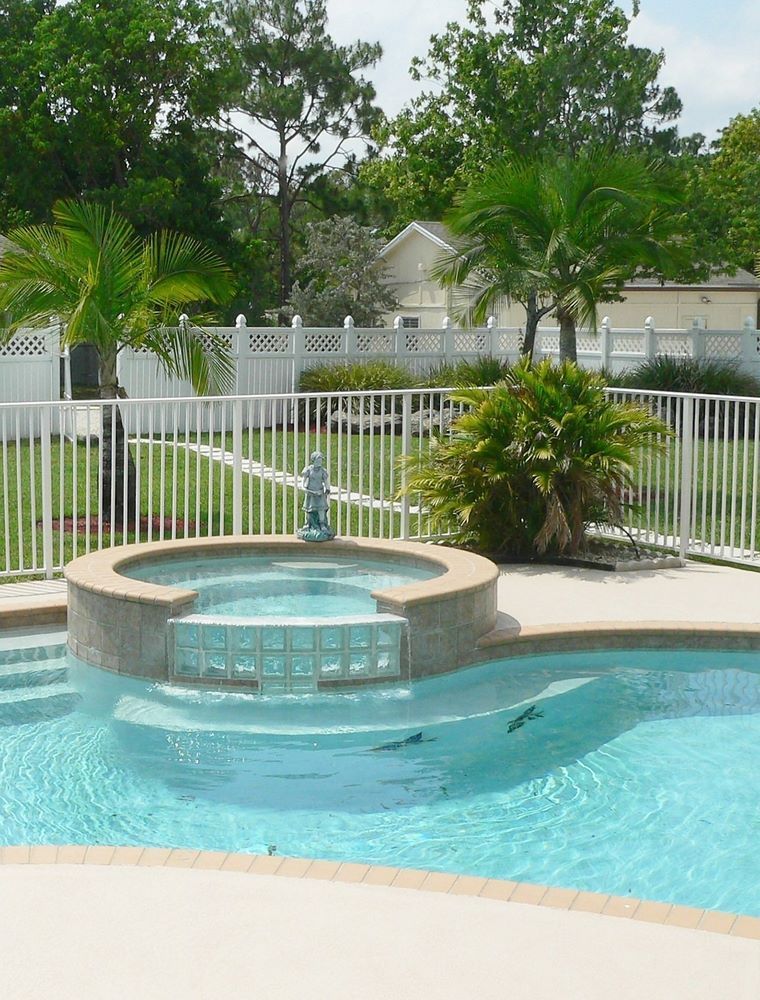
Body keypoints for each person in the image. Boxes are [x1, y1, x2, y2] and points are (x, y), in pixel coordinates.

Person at [298, 451, 334, 539]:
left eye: (321, 460)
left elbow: (325, 482)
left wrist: (327, 488)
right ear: (313, 460)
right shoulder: (309, 470)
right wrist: (304, 488)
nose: (320, 462)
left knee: (321, 509)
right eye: (318, 459)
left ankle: (322, 525)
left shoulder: (322, 471)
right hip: (311, 493)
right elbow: (303, 480)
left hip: (319, 493)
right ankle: (307, 524)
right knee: (309, 510)